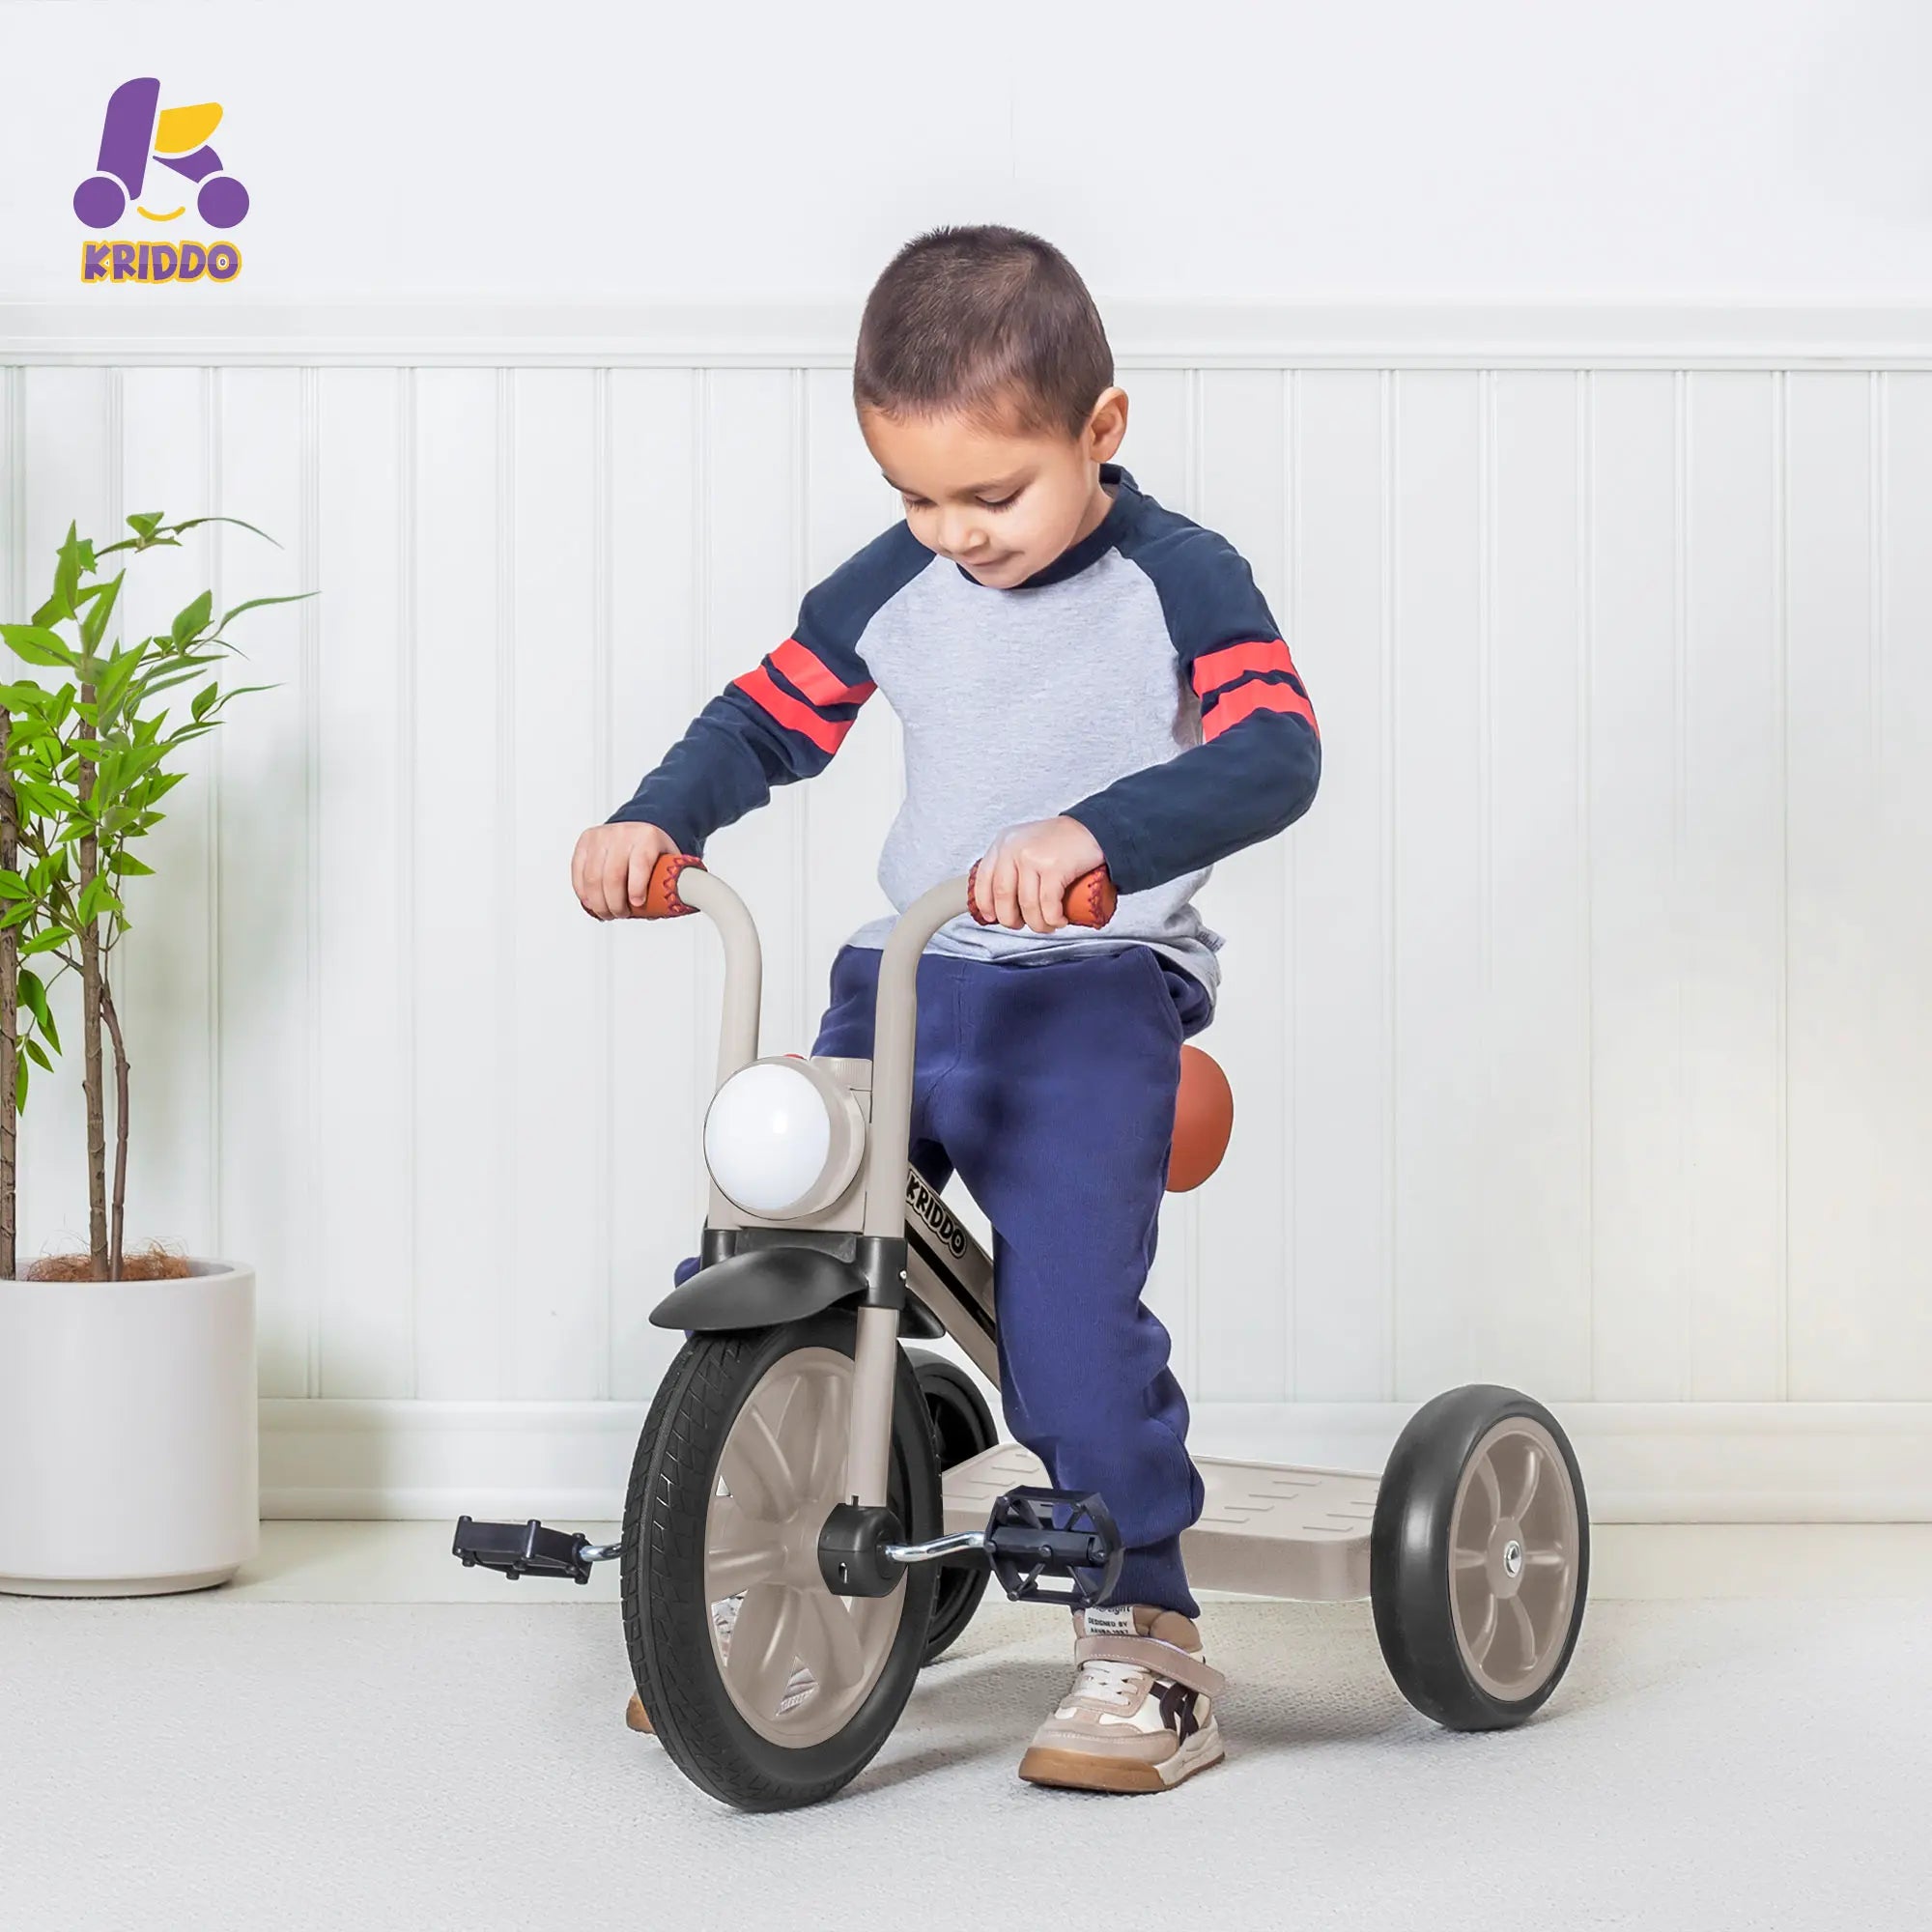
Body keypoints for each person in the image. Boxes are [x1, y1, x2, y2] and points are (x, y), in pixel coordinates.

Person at [570, 223, 1320, 1794]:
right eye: (916, 495)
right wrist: (660, 819)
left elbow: (1274, 754)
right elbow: (766, 717)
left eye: (993, 494)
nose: (954, 533)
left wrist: (1098, 840)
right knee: (787, 1232)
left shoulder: (1182, 580)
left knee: (1061, 1325)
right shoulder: (897, 578)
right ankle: (760, 1595)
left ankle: (1148, 1633)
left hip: (1092, 994)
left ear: (1100, 433)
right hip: (908, 972)